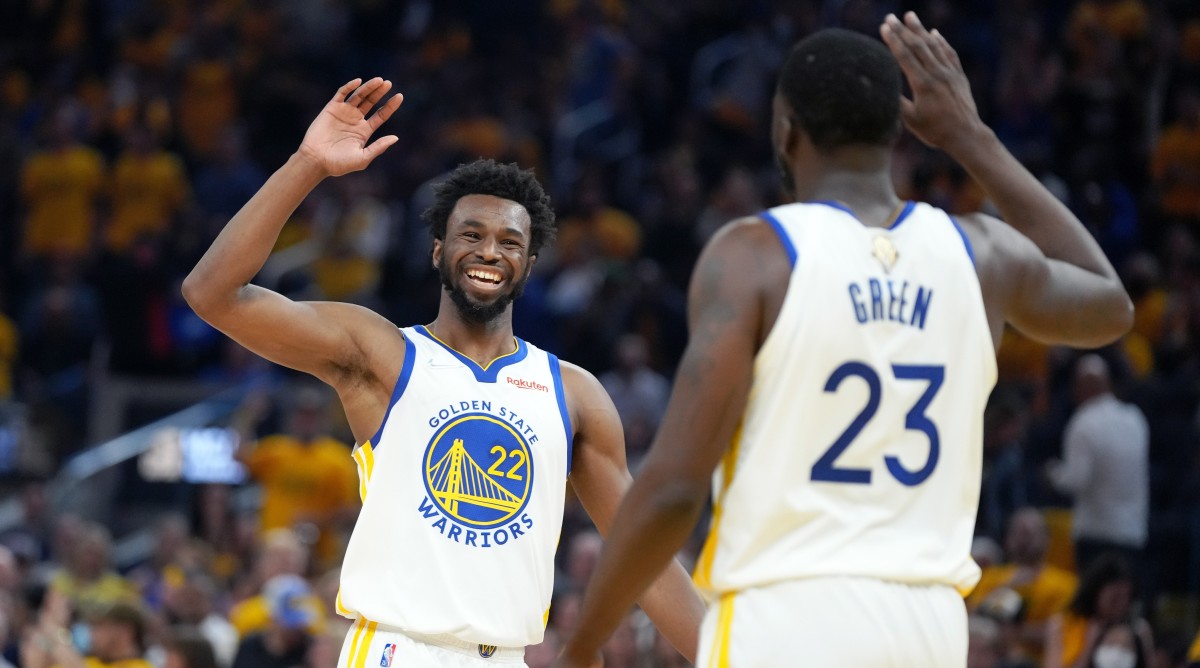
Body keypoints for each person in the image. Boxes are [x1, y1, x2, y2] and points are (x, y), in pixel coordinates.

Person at [553, 13, 1133, 667]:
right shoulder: (981, 254)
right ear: (898, 132)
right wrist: (972, 139)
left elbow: (673, 489)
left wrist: (580, 647)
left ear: (786, 129)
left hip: (789, 616)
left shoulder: (756, 254)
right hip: (929, 625)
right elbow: (1109, 303)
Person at [183, 77, 703, 667]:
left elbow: (643, 558)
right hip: (397, 650)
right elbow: (212, 293)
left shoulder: (575, 393)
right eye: (471, 234)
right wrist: (307, 165)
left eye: (510, 241)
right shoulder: (381, 353)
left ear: (529, 264)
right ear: (438, 250)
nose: (489, 251)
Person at [1048, 354, 1149, 575]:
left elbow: (1076, 480)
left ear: (1082, 386)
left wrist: (1052, 473)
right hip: (1132, 532)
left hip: (1096, 532)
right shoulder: (1135, 419)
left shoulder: (1084, 422)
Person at [967, 507, 1078, 662]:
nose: (1023, 539)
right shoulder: (990, 577)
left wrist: (1017, 633)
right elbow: (973, 620)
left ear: (1046, 538)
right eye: (1018, 533)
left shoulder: (1066, 585)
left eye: (1030, 534)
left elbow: (1062, 632)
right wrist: (1007, 588)